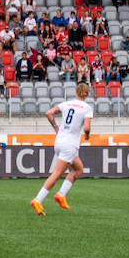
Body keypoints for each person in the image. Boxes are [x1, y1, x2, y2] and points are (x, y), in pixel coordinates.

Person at [32, 83, 93, 215]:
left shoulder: (67, 104)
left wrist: (56, 128)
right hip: (70, 145)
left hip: (59, 142)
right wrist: (87, 136)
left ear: (76, 92)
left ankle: (61, 195)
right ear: (87, 94)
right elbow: (87, 128)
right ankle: (37, 200)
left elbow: (49, 113)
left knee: (79, 169)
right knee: (56, 175)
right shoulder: (87, 108)